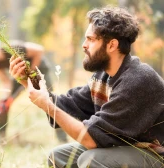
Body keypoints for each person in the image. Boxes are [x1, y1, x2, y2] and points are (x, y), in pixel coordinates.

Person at [9, 6, 164, 168]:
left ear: (112, 45)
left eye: (90, 39)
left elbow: (91, 140)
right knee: (58, 156)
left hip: (156, 155)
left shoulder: (137, 79)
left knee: (90, 159)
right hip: (125, 147)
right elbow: (66, 106)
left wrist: (46, 104)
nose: (84, 45)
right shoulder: (103, 76)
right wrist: (28, 82)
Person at [0, 36, 67, 141]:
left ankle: (62, 138)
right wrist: (6, 98)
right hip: (20, 74)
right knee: (3, 104)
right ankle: (0, 137)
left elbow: (39, 50)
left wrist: (31, 74)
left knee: (50, 102)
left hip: (39, 70)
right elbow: (6, 82)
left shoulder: (11, 48)